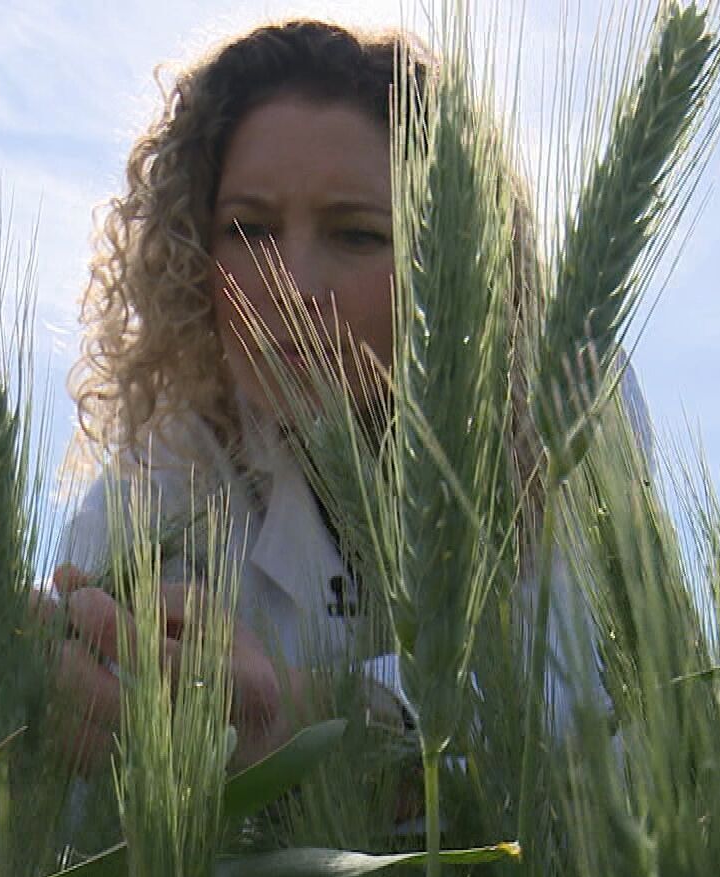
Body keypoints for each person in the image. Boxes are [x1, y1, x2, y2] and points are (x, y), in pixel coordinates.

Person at [43, 18, 617, 777]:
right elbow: (83, 740)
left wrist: (320, 716)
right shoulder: (164, 472)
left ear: (443, 257)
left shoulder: (556, 398)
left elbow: (581, 689)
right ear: (191, 247)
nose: (294, 289)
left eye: (356, 235)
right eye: (248, 230)